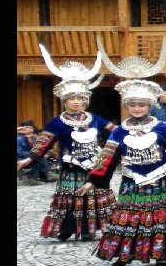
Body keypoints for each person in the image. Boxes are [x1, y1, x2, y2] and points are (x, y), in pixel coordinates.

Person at [76, 79, 166, 266]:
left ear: (150, 105)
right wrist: (93, 180)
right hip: (131, 181)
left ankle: (161, 254)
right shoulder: (119, 131)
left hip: (162, 179)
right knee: (128, 216)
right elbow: (107, 156)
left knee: (160, 216)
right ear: (127, 106)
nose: (137, 108)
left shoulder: (162, 127)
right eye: (133, 105)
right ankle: (124, 254)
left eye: (141, 104)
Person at [17, 47, 116, 241]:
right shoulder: (57, 122)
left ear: (85, 100)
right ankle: (66, 228)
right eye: (72, 99)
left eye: (79, 98)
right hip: (70, 167)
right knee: (70, 197)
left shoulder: (94, 118)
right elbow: (44, 142)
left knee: (93, 196)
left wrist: (135, 132)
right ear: (65, 101)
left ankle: (90, 229)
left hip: (93, 165)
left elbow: (115, 130)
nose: (76, 102)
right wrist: (29, 159)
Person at [17, 120, 58, 184]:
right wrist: (33, 154)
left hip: (32, 157)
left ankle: (43, 175)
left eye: (31, 128)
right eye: (26, 128)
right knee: (37, 157)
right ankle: (37, 176)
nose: (29, 129)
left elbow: (45, 147)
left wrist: (47, 153)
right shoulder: (18, 138)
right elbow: (19, 152)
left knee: (39, 156)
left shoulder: (36, 137)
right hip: (21, 158)